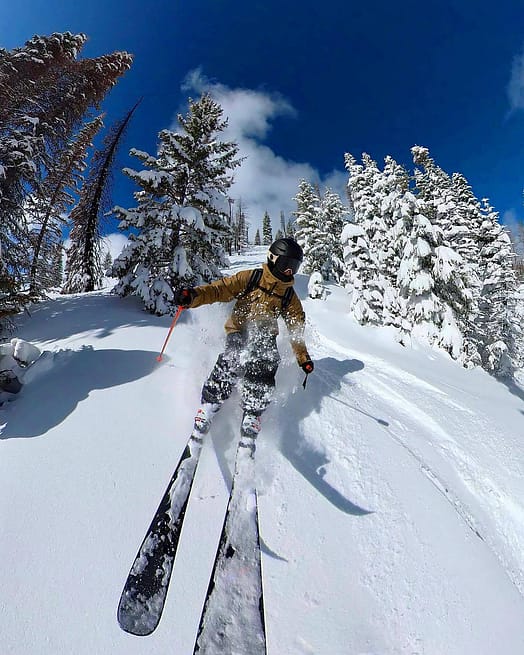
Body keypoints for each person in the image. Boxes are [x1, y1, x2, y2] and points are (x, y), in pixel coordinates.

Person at [174, 238, 314, 438]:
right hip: (239, 330)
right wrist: (193, 296)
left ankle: (253, 413)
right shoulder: (252, 278)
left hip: (264, 336)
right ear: (273, 259)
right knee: (235, 355)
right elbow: (219, 289)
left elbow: (296, 328)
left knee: (267, 359)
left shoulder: (289, 296)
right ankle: (210, 402)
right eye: (286, 265)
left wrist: (303, 358)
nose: (289, 272)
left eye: (294, 267)